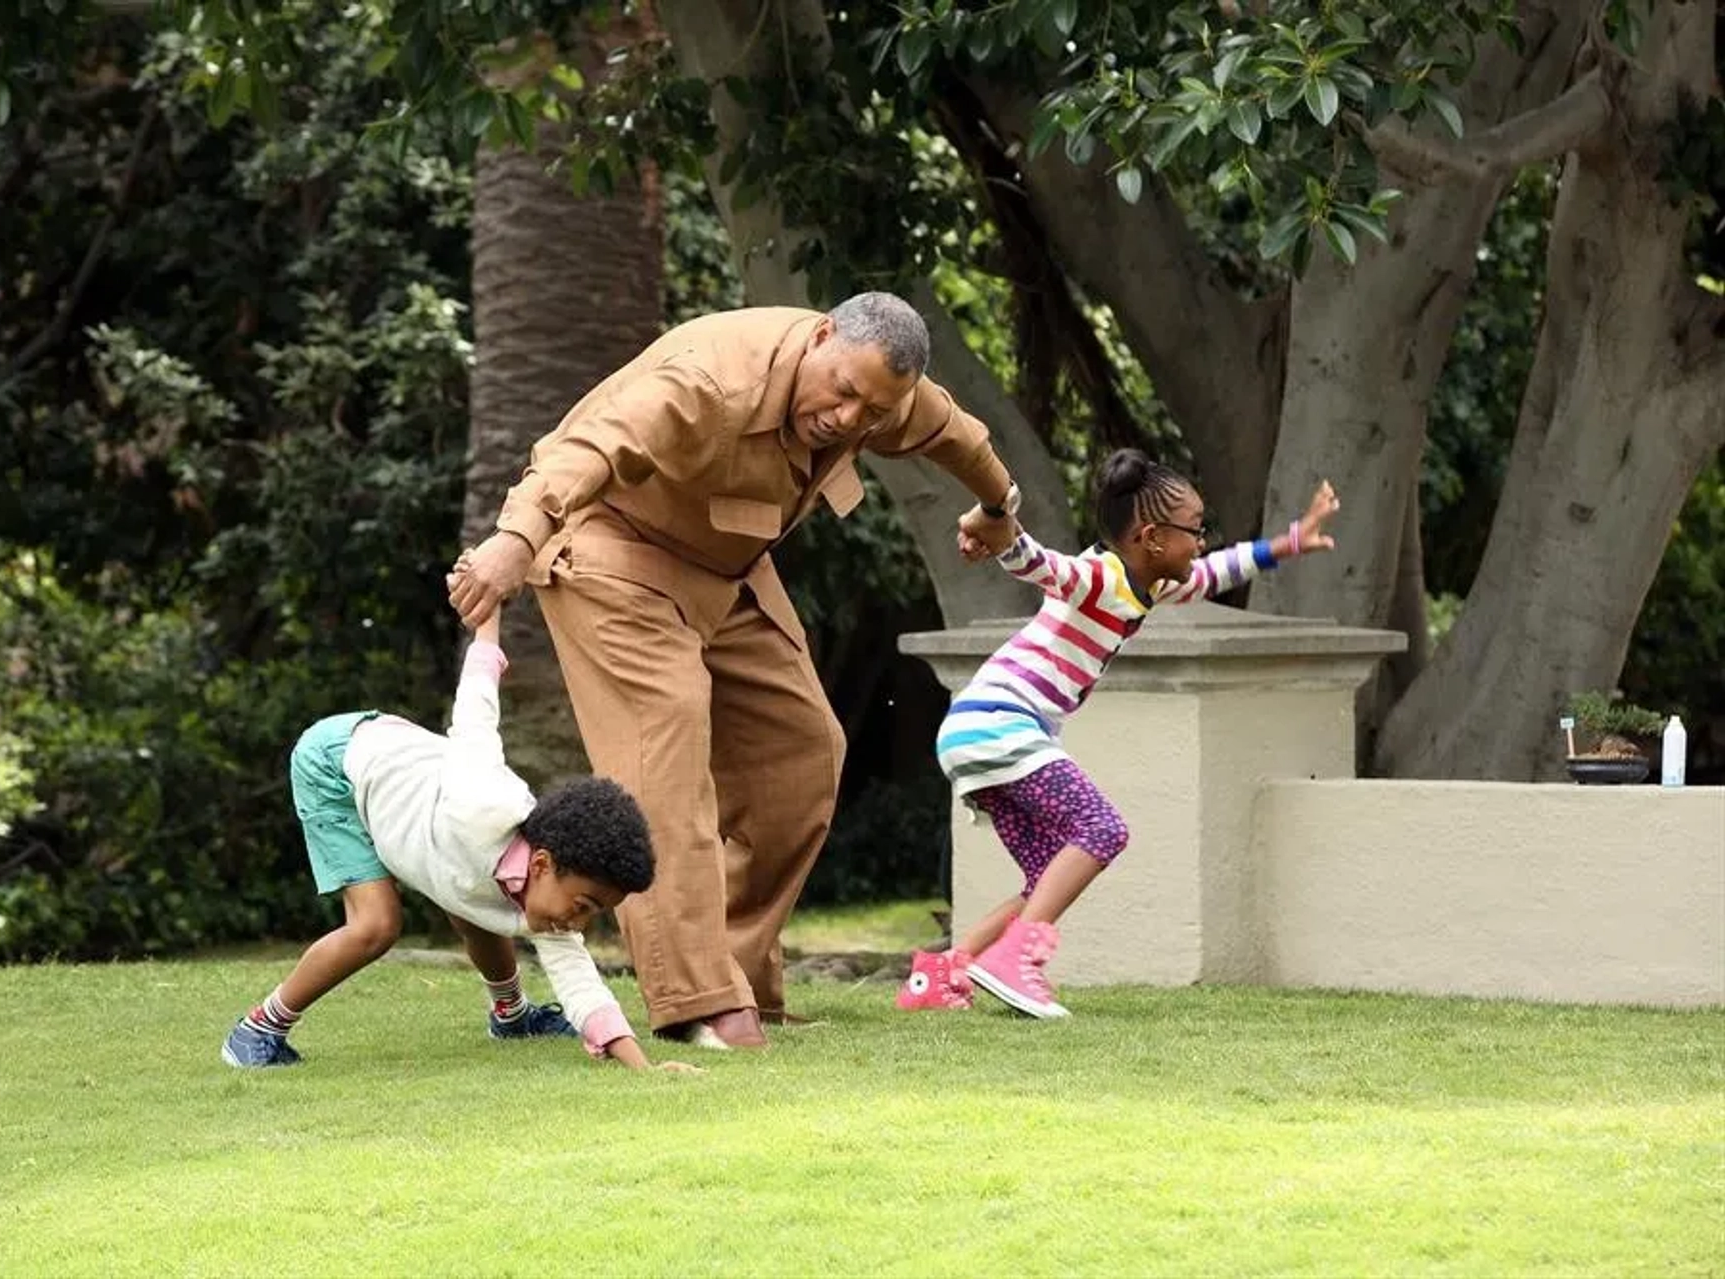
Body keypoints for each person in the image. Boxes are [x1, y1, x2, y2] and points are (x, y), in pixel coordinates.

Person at [448, 292, 1022, 1049]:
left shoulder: (885, 397)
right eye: (844, 392)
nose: (850, 420)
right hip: (612, 550)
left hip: (726, 567)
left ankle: (737, 974)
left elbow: (959, 436)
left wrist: (998, 507)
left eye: (873, 412)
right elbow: (585, 448)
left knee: (805, 749)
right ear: (821, 337)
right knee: (666, 748)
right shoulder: (710, 380)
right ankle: (694, 1002)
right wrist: (516, 540)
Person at [896, 448, 1341, 1018]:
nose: (1200, 542)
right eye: (1194, 530)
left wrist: (1292, 540)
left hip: (979, 735)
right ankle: (1016, 962)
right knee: (1101, 828)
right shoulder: (1099, 576)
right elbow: (1041, 564)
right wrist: (999, 532)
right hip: (997, 722)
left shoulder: (1154, 584)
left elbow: (1217, 572)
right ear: (1152, 537)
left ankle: (942, 974)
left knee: (1048, 875)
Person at [220, 601, 696, 1073]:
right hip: (339, 764)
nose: (581, 923)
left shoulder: (550, 907)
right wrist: (488, 617)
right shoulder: (484, 800)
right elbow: (476, 707)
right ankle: (257, 1030)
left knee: (479, 907)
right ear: (541, 864)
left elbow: (583, 986)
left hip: (415, 795)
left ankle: (511, 1017)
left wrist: (645, 1071)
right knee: (376, 926)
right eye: (585, 905)